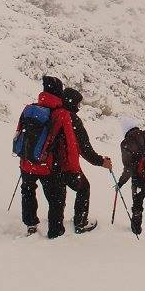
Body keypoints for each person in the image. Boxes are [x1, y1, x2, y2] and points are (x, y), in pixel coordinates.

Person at [16, 76, 85, 239]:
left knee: (27, 191)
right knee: (56, 200)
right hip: (49, 166)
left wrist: (24, 156)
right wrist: (73, 169)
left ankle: (31, 225)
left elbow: (19, 134)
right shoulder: (61, 114)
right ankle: (55, 232)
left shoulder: (30, 109)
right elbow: (70, 145)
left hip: (28, 162)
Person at [60, 87, 111, 234]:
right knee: (84, 188)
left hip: (48, 163)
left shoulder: (53, 113)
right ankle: (80, 223)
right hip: (67, 165)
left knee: (59, 189)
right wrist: (102, 161)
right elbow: (86, 150)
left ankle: (57, 218)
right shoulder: (73, 120)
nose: (79, 107)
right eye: (78, 103)